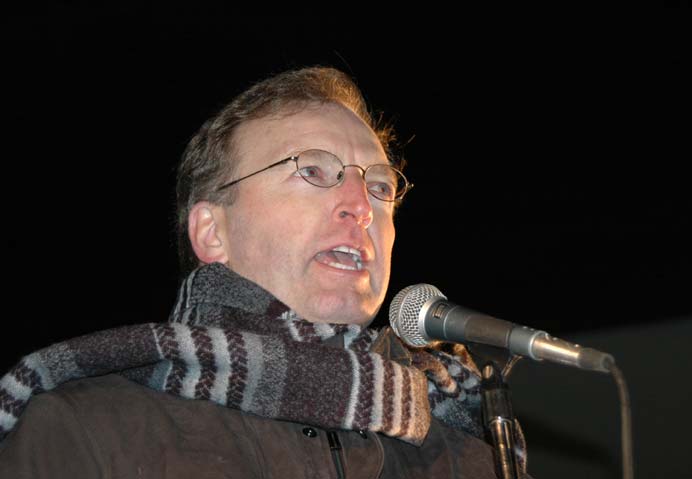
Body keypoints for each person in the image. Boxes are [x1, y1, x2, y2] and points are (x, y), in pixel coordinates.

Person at [0, 66, 528, 478]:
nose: (360, 207)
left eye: (379, 186)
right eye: (313, 170)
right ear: (212, 231)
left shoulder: (474, 453)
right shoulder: (88, 431)